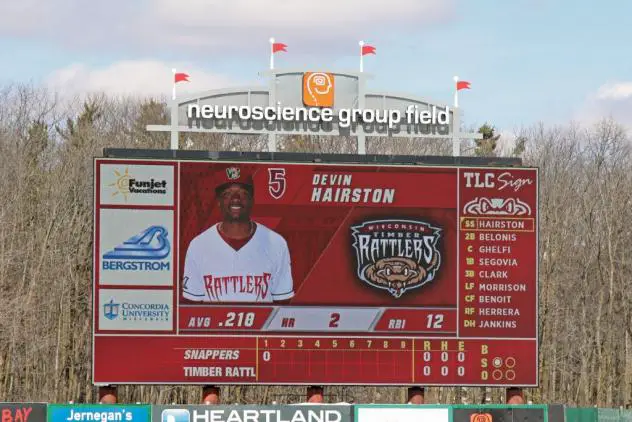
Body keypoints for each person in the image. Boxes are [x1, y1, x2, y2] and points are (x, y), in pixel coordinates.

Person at [182, 166, 294, 303]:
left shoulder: (276, 243)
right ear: (218, 202)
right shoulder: (198, 245)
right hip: (214, 325)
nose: (235, 199)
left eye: (243, 194)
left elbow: (282, 303)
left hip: (261, 325)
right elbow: (192, 305)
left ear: (252, 200)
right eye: (227, 194)